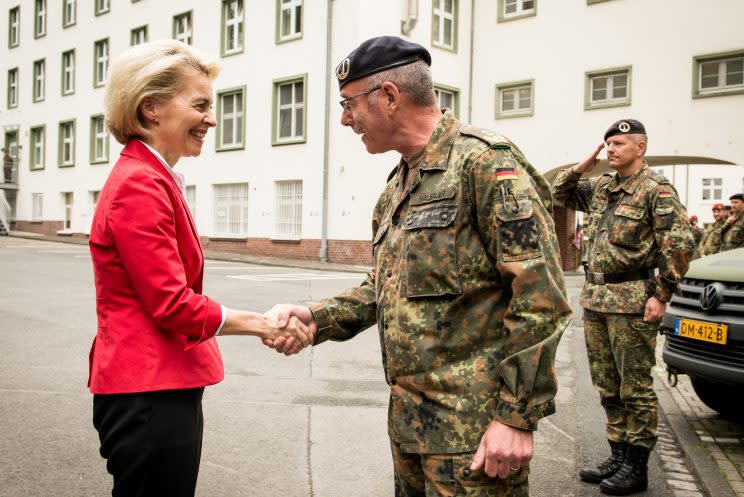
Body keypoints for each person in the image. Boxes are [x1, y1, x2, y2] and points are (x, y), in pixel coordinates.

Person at [264, 36, 572, 497]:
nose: (345, 119)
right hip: (410, 427)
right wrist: (316, 316)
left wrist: (516, 417)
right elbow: (385, 286)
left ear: (389, 97)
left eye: (349, 105)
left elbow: (539, 296)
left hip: (475, 434)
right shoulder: (399, 184)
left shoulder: (486, 164)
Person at [88, 40, 309, 497]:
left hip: (154, 386)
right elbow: (172, 304)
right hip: (148, 390)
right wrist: (264, 324)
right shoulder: (139, 185)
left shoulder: (153, 176)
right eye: (200, 105)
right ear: (150, 109)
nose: (212, 118)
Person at [552, 119, 694, 495]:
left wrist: (661, 295)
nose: (610, 149)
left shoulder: (656, 190)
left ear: (640, 147)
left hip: (633, 302)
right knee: (607, 385)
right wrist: (583, 166)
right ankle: (618, 453)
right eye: (607, 144)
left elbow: (679, 244)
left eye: (618, 143)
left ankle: (637, 465)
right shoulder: (601, 187)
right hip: (597, 300)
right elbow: (559, 193)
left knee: (636, 387)